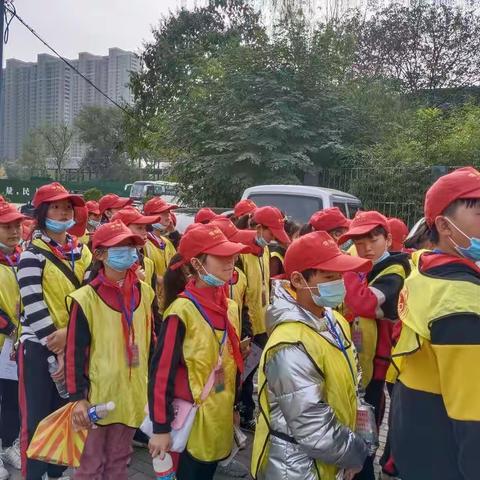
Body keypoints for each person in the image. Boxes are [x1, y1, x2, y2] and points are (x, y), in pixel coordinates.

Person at [251, 231, 371, 480]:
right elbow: (313, 427)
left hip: (332, 458)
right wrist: (355, 454)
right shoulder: (289, 344)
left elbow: (351, 384)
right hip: (298, 467)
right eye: (329, 276)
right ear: (297, 279)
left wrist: (359, 436)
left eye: (340, 275)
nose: (339, 282)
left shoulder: (333, 320)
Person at [391, 167, 480, 480]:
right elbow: (474, 417)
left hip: (416, 436)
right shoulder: (462, 303)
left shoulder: (424, 268)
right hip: (448, 458)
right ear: (444, 225)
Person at [148, 224, 247, 480]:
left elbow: (229, 363)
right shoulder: (181, 312)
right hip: (190, 423)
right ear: (197, 264)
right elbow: (161, 373)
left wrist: (235, 405)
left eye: (232, 256)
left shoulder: (227, 305)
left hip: (219, 415)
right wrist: (160, 428)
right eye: (221, 257)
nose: (231, 262)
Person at [65, 220, 156, 480]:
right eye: (119, 246)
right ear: (99, 254)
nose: (128, 252)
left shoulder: (145, 292)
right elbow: (74, 352)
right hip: (97, 398)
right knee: (90, 467)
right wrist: (77, 398)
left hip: (131, 396)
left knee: (119, 463)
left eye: (131, 246)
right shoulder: (86, 298)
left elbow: (152, 341)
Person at [17, 182, 92, 480]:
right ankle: (34, 475)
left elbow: (89, 296)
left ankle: (57, 472)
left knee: (64, 416)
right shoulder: (30, 256)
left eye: (67, 208)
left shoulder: (82, 252)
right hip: (39, 347)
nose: (63, 213)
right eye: (56, 207)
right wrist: (59, 345)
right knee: (37, 419)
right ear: (42, 213)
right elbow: (33, 305)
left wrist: (70, 341)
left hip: (71, 344)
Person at [338, 211, 410, 480]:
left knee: (366, 425)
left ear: (388, 239)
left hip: (378, 368)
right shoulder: (365, 267)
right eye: (358, 242)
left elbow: (363, 303)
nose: (366, 248)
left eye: (373, 239)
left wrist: (345, 266)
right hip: (355, 361)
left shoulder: (394, 270)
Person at [238, 206, 290, 431]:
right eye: (270, 234)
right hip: (245, 324)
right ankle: (241, 411)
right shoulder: (241, 253)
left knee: (250, 372)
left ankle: (246, 410)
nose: (272, 240)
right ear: (258, 228)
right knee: (242, 374)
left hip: (262, 323)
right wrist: (244, 330)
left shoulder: (265, 252)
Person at [0, 203, 28, 476]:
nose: (14, 231)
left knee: (11, 398)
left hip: (13, 348)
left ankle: (7, 444)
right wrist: (9, 328)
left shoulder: (24, 257)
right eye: (6, 226)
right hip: (7, 339)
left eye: (17, 225)